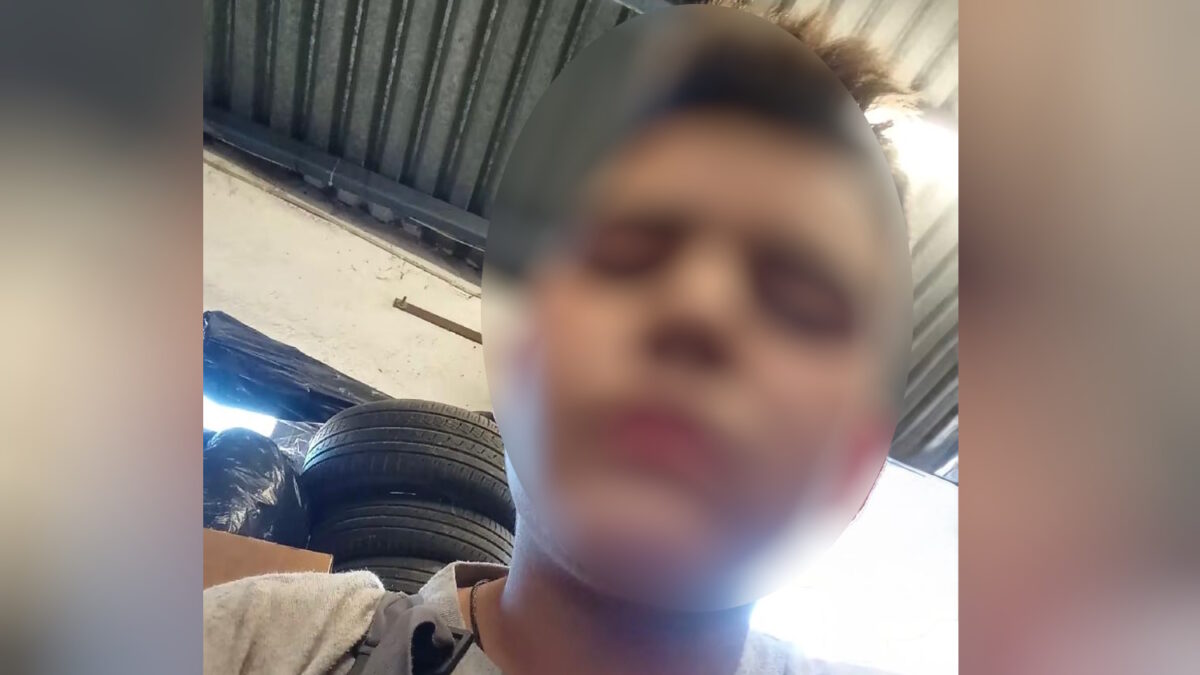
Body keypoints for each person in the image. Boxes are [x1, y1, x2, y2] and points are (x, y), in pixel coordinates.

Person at [204, 3, 914, 674]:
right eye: (625, 252)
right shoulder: (254, 643)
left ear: (857, 462)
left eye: (795, 300)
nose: (698, 308)